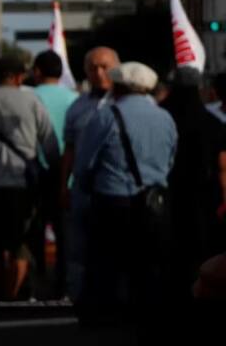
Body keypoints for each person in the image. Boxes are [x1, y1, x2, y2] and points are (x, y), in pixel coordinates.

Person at [73, 62, 177, 310]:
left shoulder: (105, 116)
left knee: (107, 263)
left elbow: (84, 163)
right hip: (154, 202)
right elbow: (171, 158)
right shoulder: (165, 117)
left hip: (112, 200)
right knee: (147, 263)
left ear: (117, 88)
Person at [0, 56, 60, 301]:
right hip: (23, 186)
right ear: (19, 77)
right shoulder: (31, 100)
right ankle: (15, 294)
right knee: (22, 246)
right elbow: (49, 145)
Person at [160, 67, 226, 299]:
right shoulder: (211, 122)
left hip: (168, 196)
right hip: (205, 198)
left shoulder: (161, 117)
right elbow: (222, 167)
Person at [61, 46, 120, 300]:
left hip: (119, 190)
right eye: (92, 67)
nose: (98, 72)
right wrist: (62, 186)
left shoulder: (129, 103)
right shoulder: (77, 107)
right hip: (84, 191)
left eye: (104, 66)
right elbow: (69, 151)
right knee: (80, 249)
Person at [29, 50, 78, 297]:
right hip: (65, 175)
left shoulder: (28, 96)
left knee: (34, 230)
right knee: (64, 233)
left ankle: (36, 280)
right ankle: (62, 284)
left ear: (37, 71)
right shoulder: (74, 99)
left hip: (33, 173)